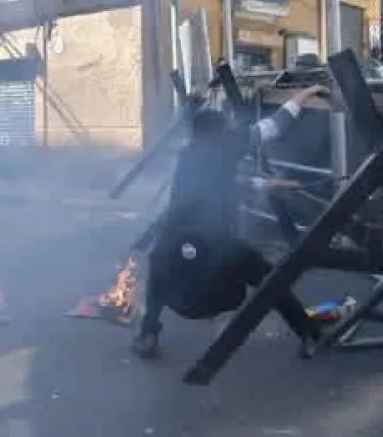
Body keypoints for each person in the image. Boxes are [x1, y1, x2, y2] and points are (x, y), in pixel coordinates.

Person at [132, 84, 333, 359]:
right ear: (219, 133)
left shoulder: (188, 157)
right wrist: (305, 93)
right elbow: (277, 125)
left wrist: (269, 184)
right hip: (217, 256)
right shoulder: (227, 143)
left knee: (158, 266)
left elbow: (219, 184)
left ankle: (148, 333)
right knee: (271, 280)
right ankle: (309, 332)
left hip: (176, 250)